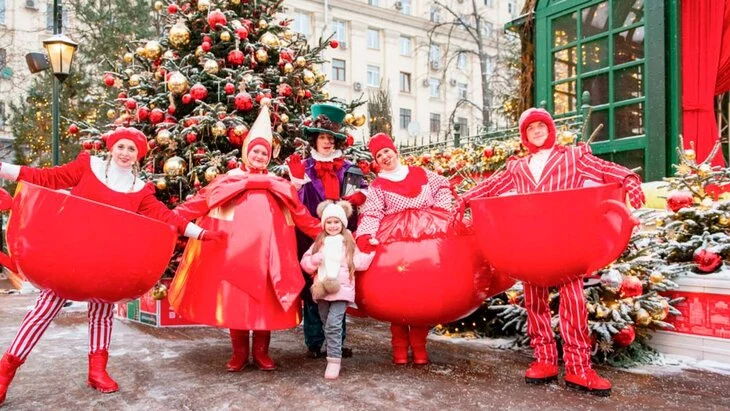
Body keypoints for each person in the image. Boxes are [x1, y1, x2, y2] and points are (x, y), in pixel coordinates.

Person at [0, 127, 223, 405]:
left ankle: (97, 370)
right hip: (70, 255)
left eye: (132, 149)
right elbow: (48, 177)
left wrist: (199, 233)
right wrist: (5, 169)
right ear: (111, 147)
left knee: (102, 313)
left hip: (108, 262)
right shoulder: (87, 167)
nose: (125, 153)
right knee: (42, 312)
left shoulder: (139, 190)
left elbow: (165, 217)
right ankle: (6, 370)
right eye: (121, 147)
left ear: (138, 156)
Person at [459, 108, 645, 396]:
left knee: (573, 306)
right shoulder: (517, 167)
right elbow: (492, 186)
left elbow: (602, 169)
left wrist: (629, 179)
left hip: (566, 242)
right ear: (524, 135)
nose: (536, 131)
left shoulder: (572, 156)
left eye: (540, 126)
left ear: (550, 129)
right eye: (530, 128)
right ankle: (544, 360)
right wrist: (465, 198)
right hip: (531, 243)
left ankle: (579, 368)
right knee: (535, 304)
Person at [168, 102, 322, 372]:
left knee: (265, 306)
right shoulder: (229, 180)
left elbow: (301, 216)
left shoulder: (281, 186)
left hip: (270, 256)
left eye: (264, 152)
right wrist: (171, 217)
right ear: (246, 153)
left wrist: (328, 231)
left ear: (269, 157)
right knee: (236, 305)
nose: (260, 156)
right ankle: (239, 353)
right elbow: (201, 202)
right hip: (234, 254)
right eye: (256, 151)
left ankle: (261, 353)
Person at [355, 133, 454, 365]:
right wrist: (366, 236)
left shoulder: (419, 173)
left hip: (429, 232)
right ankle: (399, 348)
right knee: (397, 294)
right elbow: (373, 212)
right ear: (376, 162)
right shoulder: (378, 185)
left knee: (423, 292)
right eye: (379, 156)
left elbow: (443, 186)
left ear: (395, 151)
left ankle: (419, 348)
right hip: (394, 239)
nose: (385, 157)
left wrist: (440, 210)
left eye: (387, 151)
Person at [286, 103, 367, 359]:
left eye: (331, 138)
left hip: (341, 236)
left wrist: (357, 197)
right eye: (322, 137)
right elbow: (293, 201)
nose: (327, 142)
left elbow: (364, 192)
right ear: (315, 139)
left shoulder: (348, 167)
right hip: (311, 235)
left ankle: (337, 342)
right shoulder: (305, 167)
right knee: (315, 288)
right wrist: (296, 182)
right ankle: (314, 342)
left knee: (340, 283)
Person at [300, 200, 375, 379]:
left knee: (333, 324)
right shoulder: (319, 242)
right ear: (324, 223)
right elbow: (305, 262)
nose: (333, 226)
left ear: (342, 223)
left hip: (342, 288)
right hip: (322, 289)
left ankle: (334, 361)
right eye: (329, 222)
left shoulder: (348, 242)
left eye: (336, 222)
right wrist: (314, 260)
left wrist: (371, 250)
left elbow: (359, 263)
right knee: (326, 322)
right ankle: (333, 351)